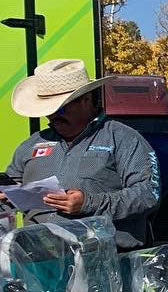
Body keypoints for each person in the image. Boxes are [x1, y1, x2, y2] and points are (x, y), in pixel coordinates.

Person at [6, 59, 158, 250]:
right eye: (47, 111)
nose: (53, 116)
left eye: (60, 108)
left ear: (86, 99)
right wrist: (6, 196)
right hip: (40, 260)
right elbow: (9, 189)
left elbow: (148, 193)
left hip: (107, 257)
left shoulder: (123, 139)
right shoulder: (31, 145)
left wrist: (88, 203)